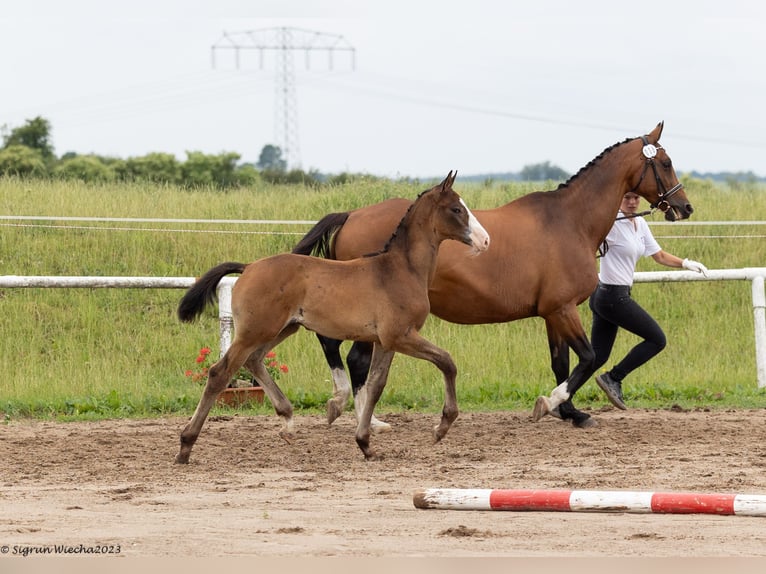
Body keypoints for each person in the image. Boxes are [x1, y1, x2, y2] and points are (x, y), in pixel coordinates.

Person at [589, 191, 708, 409]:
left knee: (596, 356)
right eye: (627, 198)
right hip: (612, 296)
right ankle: (614, 377)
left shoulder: (640, 223)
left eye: (636, 198)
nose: (633, 203)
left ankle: (560, 397)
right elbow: (587, 238)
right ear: (618, 199)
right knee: (657, 340)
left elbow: (659, 255)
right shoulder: (610, 223)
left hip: (609, 295)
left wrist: (685, 263)